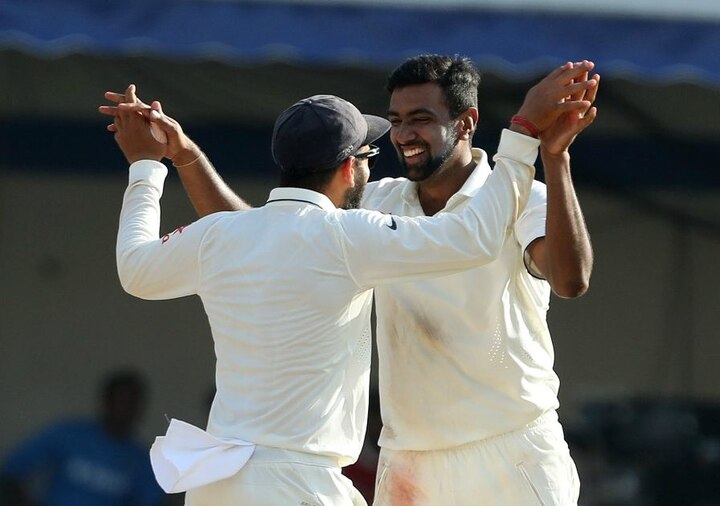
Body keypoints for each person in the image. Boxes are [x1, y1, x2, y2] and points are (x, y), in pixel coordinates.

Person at [102, 65, 594, 505]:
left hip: (509, 443)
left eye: (419, 118)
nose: (402, 135)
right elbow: (279, 237)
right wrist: (524, 137)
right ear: (348, 166)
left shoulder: (520, 193)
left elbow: (571, 281)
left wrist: (553, 158)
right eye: (394, 121)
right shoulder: (371, 208)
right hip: (409, 457)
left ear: (465, 123)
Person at [0, 369, 163, 506]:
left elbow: (151, 499)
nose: (126, 409)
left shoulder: (143, 459)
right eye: (121, 401)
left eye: (132, 403)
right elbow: (11, 469)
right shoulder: (67, 434)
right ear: (106, 401)